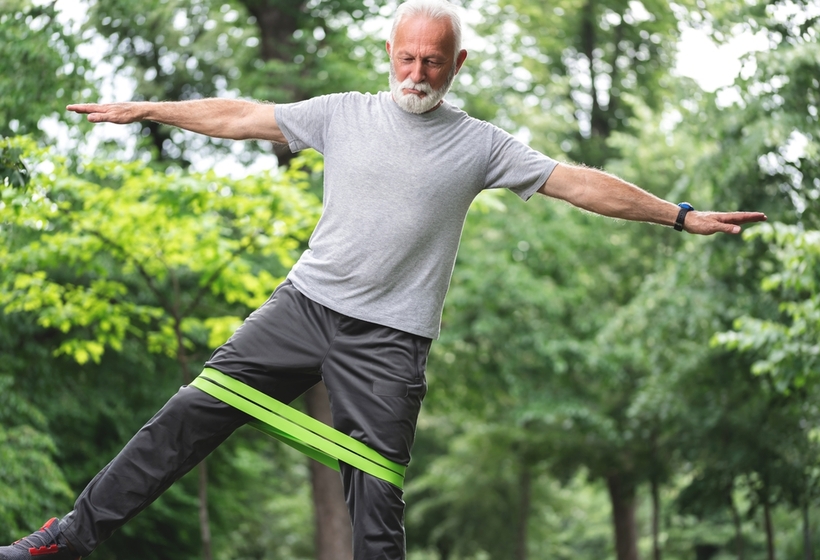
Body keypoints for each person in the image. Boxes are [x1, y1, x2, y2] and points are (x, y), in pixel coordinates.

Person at [1, 0, 767, 558]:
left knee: (376, 506)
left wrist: (680, 215)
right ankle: (66, 539)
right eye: (406, 58)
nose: (417, 73)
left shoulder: (482, 145)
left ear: (457, 64)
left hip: (391, 343)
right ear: (389, 53)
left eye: (433, 61)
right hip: (302, 309)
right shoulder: (342, 114)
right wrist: (147, 110)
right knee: (184, 417)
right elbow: (241, 117)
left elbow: (579, 184)